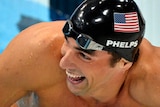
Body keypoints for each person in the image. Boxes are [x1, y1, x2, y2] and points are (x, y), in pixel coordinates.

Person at [0, 0, 160, 107]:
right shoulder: (36, 53)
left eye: (84, 55)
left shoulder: (153, 82)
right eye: (66, 43)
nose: (63, 63)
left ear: (123, 63)